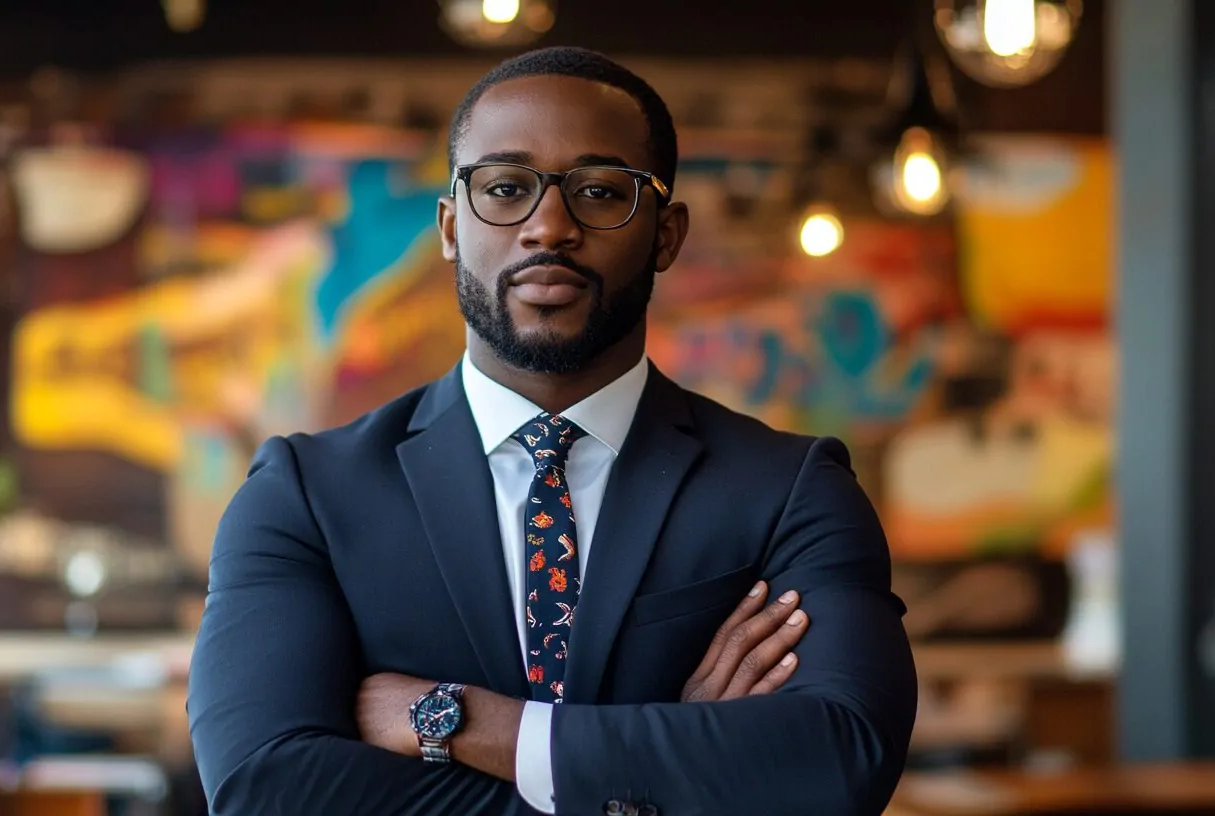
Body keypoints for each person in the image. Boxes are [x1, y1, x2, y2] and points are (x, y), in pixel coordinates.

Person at [188, 46, 917, 815]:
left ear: (667, 235)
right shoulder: (306, 496)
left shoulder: (789, 491)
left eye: (601, 192)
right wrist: (671, 758)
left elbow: (841, 760)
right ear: (448, 227)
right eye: (504, 188)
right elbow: (263, 790)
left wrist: (467, 723)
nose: (548, 226)